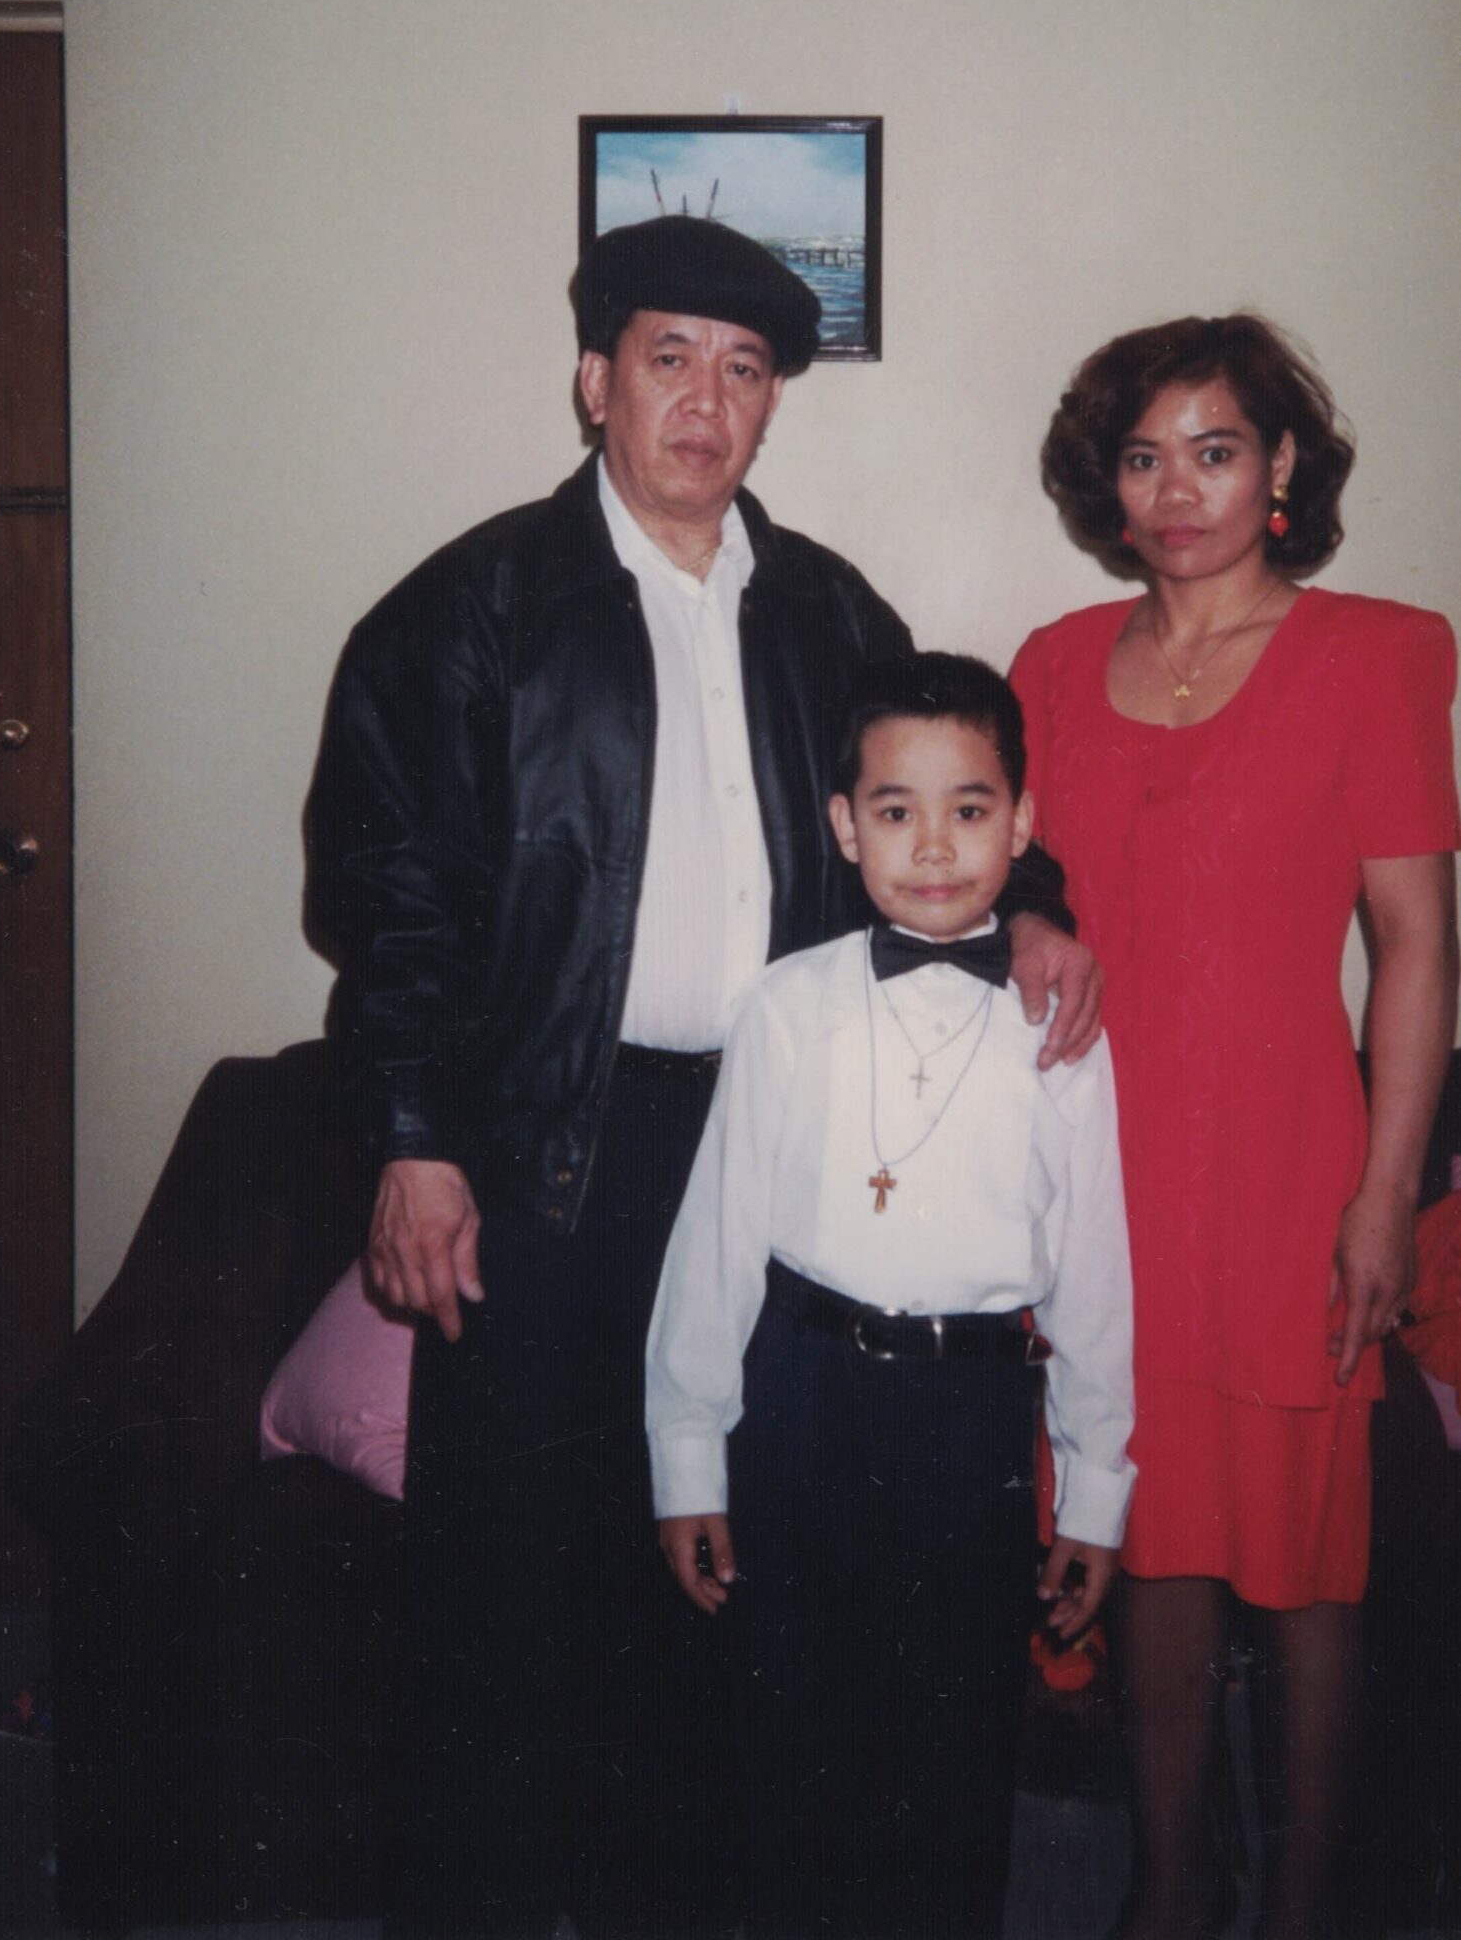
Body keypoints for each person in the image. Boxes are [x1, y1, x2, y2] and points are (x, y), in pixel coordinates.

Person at [303, 218, 1100, 1940]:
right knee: (506, 1594)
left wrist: (1034, 903)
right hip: (542, 1153)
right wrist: (415, 1142)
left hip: (771, 1151)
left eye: (743, 371)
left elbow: (941, 787)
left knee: (712, 1574)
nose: (705, 400)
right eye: (668, 358)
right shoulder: (467, 612)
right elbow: (390, 904)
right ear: (594, 381)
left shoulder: (827, 610)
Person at [1011, 313, 1461, 1940]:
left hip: (1283, 1176)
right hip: (1098, 1178)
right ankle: (1169, 1884)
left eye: (1214, 450)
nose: (1177, 490)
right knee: (1150, 1536)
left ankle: (1303, 1905)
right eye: (1143, 457)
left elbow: (1412, 945)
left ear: (1279, 466)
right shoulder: (1050, 665)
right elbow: (1007, 879)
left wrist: (1385, 1197)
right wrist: (1025, 919)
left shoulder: (1376, 653)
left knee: (1305, 1563)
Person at [645, 652, 1135, 1940]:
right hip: (802, 1401)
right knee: (789, 1733)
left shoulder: (1058, 1025)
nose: (932, 846)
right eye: (896, 810)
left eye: (970, 809)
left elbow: (1094, 1270)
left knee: (955, 1744)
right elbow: (716, 1242)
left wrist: (1096, 1489)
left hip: (974, 1415)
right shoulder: (784, 1008)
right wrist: (688, 1456)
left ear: (1021, 827)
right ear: (844, 825)